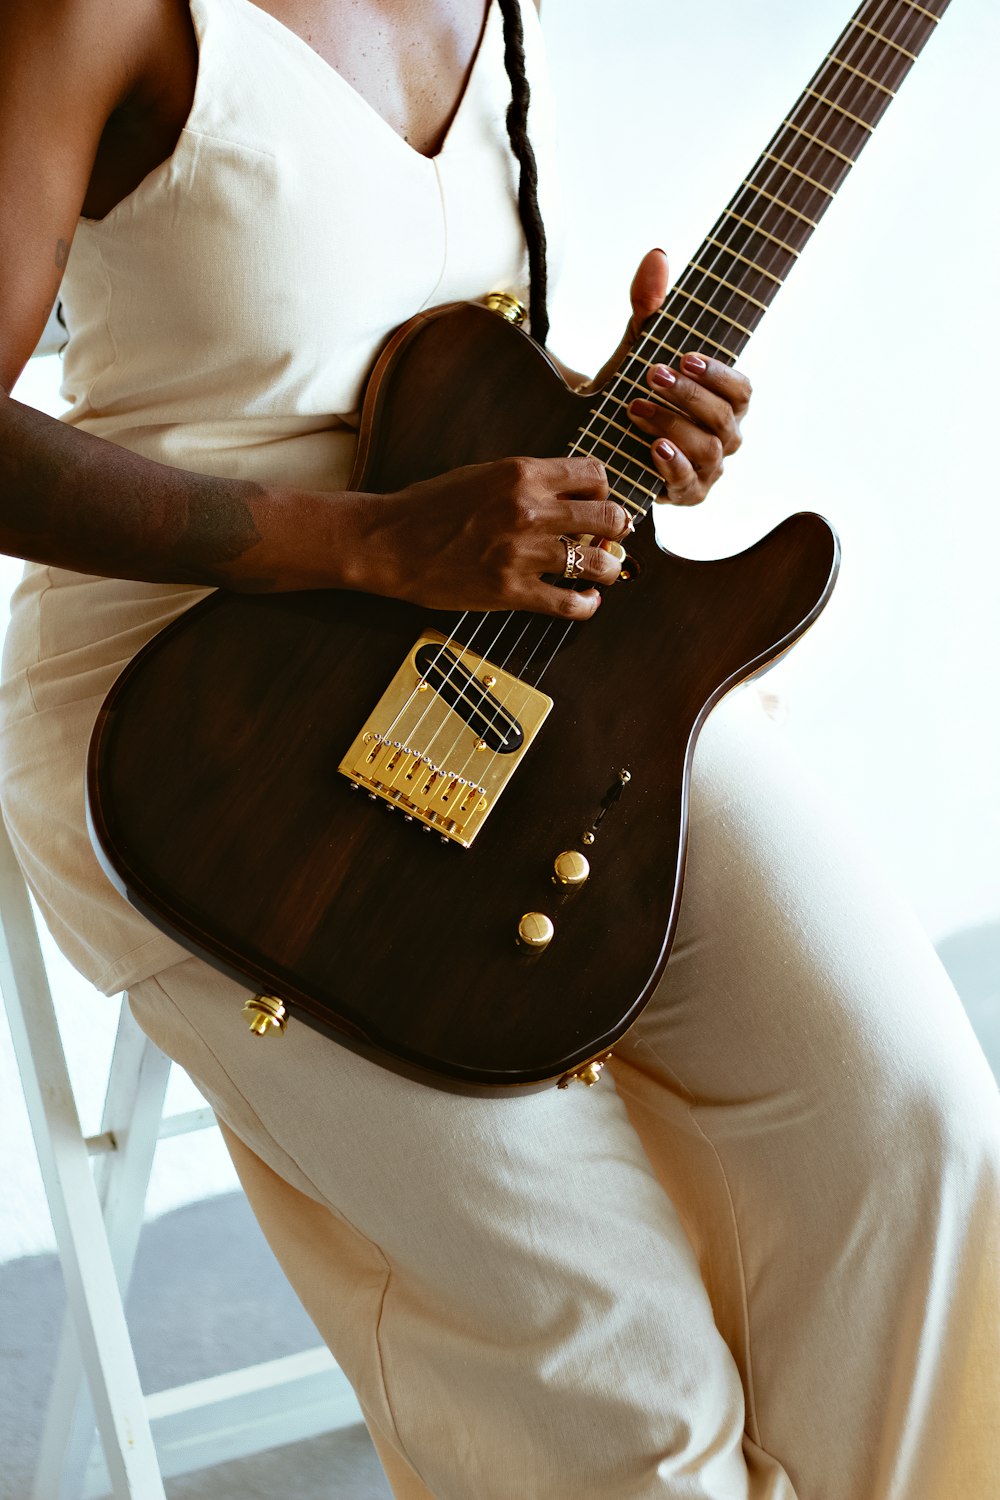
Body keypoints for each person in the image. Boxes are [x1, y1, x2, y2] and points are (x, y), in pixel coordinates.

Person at [0, 1, 997, 1495]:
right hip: (200, 742)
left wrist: (610, 417)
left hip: (506, 641)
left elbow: (410, 356)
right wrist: (374, 542)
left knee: (916, 1128)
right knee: (615, 1386)